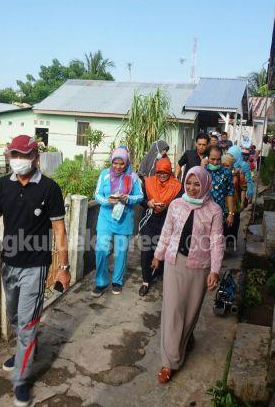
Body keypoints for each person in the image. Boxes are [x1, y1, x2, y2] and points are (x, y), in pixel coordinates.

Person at [0, 135, 70, 407]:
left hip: (36, 265)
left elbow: (59, 231)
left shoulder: (49, 189)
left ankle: (21, 380)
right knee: (14, 317)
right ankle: (24, 350)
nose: (17, 160)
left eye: (23, 155)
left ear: (35, 157)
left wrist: (63, 267)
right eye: (13, 155)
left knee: (27, 321)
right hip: (9, 263)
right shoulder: (1, 186)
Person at [152, 167, 224, 384]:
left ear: (205, 185)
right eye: (189, 183)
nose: (192, 189)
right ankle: (170, 361)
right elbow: (167, 231)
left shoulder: (214, 210)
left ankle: (188, 336)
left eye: (197, 185)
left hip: (199, 267)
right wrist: (158, 255)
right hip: (174, 262)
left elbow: (217, 242)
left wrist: (214, 270)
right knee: (173, 310)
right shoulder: (176, 204)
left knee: (190, 311)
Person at [93, 147, 144, 296]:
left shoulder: (133, 177)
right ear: (111, 161)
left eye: (122, 164)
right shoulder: (104, 175)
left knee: (121, 252)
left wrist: (128, 198)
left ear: (126, 163)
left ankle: (117, 281)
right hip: (105, 218)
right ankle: (100, 283)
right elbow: (97, 194)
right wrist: (107, 200)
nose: (118, 167)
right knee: (101, 250)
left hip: (125, 218)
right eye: (115, 163)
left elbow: (140, 196)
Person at [138, 157, 183, 296]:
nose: (162, 175)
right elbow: (141, 200)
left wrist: (168, 206)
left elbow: (180, 203)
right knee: (146, 249)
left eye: (165, 172)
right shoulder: (149, 182)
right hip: (150, 218)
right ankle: (146, 280)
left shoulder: (177, 186)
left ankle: (159, 272)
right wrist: (148, 203)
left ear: (170, 172)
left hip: (167, 220)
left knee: (162, 248)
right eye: (159, 172)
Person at [205, 146, 235, 232]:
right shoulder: (202, 172)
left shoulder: (226, 173)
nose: (215, 162)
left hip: (219, 213)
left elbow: (230, 193)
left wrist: (231, 213)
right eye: (213, 159)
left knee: (217, 240)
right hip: (203, 214)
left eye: (218, 159)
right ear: (207, 157)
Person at [222, 153, 246, 246]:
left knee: (233, 224)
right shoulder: (219, 174)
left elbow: (243, 189)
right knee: (224, 226)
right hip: (222, 203)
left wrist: (242, 202)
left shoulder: (238, 174)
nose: (225, 167)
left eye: (227, 165)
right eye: (223, 165)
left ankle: (230, 240)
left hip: (235, 204)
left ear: (232, 165)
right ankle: (224, 244)